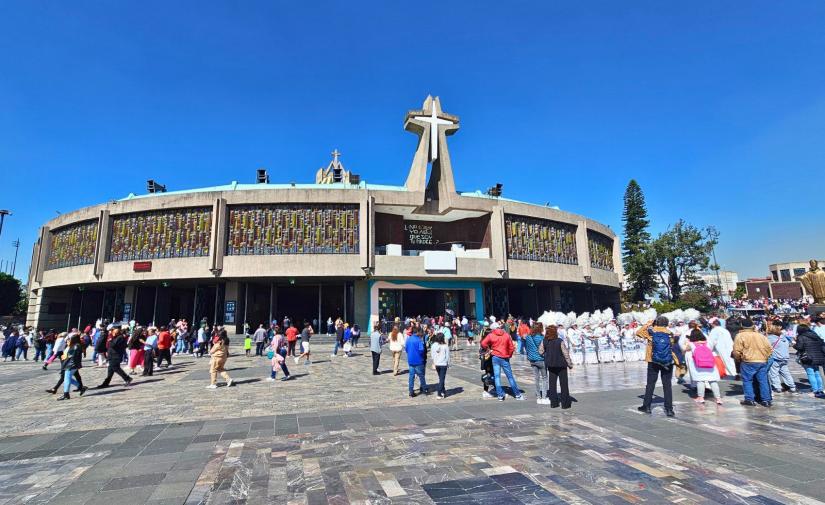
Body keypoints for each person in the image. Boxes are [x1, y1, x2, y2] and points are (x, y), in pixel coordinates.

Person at [636, 316, 676, 417]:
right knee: (667, 385)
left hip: (653, 361)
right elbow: (672, 347)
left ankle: (647, 407)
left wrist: (649, 323)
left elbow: (638, 332)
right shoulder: (670, 333)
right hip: (667, 361)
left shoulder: (651, 332)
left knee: (650, 384)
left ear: (656, 323)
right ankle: (669, 409)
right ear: (666, 323)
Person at [732, 318, 774, 407]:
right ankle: (766, 400)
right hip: (762, 361)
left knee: (747, 380)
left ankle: (749, 399)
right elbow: (770, 349)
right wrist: (764, 356)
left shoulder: (740, 336)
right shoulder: (761, 336)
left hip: (748, 361)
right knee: (763, 381)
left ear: (742, 326)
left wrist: (739, 359)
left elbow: (736, 351)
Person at [481, 323, 525, 401]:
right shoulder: (506, 335)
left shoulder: (491, 335)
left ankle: (500, 396)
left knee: (497, 377)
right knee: (510, 377)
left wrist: (488, 349)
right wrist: (509, 355)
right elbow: (511, 347)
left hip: (495, 357)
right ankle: (517, 395)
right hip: (505, 357)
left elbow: (483, 343)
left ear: (493, 329)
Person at [684, 329, 722, 405]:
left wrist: (688, 342)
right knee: (713, 381)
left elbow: (685, 349)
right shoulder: (708, 343)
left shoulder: (691, 344)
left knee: (700, 381)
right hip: (710, 365)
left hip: (698, 365)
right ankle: (718, 398)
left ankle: (701, 398)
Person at [793, 322, 825, 398]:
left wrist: (794, 344)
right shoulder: (815, 335)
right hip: (817, 357)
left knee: (810, 373)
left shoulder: (801, 337)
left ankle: (815, 390)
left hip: (808, 358)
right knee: (817, 373)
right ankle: (820, 389)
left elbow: (799, 347)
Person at [544, 325, 573, 408]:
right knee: (563, 384)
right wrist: (570, 364)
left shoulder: (545, 341)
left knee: (552, 384)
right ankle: (565, 403)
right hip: (561, 365)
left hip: (551, 365)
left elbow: (540, 351)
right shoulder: (560, 341)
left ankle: (553, 403)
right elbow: (565, 353)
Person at [766, 320, 797, 394]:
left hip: (776, 358)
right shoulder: (784, 337)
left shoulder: (771, 338)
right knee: (786, 373)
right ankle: (792, 386)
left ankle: (777, 387)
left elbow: (766, 346)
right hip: (785, 357)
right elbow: (790, 344)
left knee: (774, 373)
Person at [56, 334, 87, 400]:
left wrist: (65, 357)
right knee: (67, 378)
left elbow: (72, 356)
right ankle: (81, 387)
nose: (69, 339)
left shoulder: (76, 346)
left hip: (71, 365)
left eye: (70, 338)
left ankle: (66, 394)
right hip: (71, 364)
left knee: (67, 379)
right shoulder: (75, 345)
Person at [523, 322, 548, 404]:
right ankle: (544, 397)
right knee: (544, 378)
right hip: (541, 360)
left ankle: (538, 397)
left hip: (532, 360)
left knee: (536, 378)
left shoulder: (528, 337)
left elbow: (526, 347)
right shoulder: (542, 338)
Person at [405, 330, 428, 397]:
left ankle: (411, 391)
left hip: (411, 360)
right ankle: (424, 389)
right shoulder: (418, 340)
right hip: (418, 360)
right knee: (421, 375)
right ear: (417, 332)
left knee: (411, 376)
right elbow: (421, 350)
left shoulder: (408, 339)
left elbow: (406, 349)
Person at [430, 332, 450, 399]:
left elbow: (432, 355)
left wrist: (434, 362)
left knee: (441, 378)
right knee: (442, 379)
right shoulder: (445, 346)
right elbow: (447, 356)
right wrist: (448, 363)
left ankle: (443, 391)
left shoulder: (433, 345)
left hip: (437, 364)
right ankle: (439, 393)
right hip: (443, 364)